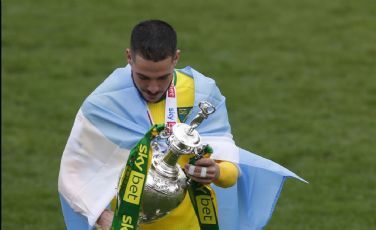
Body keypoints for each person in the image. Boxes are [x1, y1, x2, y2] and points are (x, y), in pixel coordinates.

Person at [58, 19, 305, 230]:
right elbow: (74, 173)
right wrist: (103, 215)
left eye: (162, 77)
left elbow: (229, 166)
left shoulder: (202, 94)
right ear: (128, 58)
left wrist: (216, 172)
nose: (153, 88)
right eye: (143, 77)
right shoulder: (104, 103)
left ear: (176, 58)